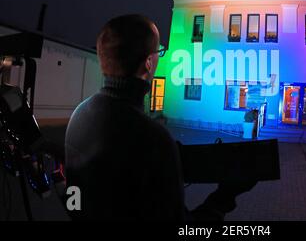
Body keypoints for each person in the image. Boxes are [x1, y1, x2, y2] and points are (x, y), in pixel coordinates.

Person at [65, 14, 255, 220]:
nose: (159, 57)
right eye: (159, 52)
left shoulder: (79, 115)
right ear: (148, 62)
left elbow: (77, 198)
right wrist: (224, 197)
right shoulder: (152, 137)